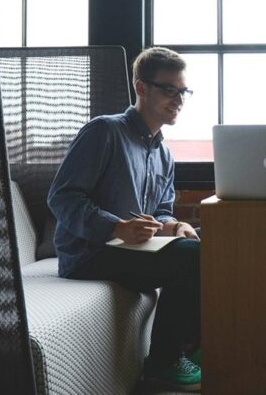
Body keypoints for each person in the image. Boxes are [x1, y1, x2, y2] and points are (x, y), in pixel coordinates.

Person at [46, 46, 202, 391]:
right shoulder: (104, 131)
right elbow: (62, 197)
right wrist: (116, 227)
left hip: (134, 250)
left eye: (183, 91)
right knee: (194, 257)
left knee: (210, 241)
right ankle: (163, 363)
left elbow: (161, 209)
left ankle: (194, 344)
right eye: (169, 89)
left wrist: (174, 225)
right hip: (90, 253)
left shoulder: (163, 153)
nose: (178, 99)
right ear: (141, 87)